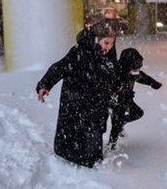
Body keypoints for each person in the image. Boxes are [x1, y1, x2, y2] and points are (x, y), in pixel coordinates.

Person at [36, 25, 119, 168]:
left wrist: (116, 88)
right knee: (73, 135)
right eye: (106, 42)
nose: (109, 47)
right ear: (96, 40)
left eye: (112, 43)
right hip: (75, 102)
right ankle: (70, 161)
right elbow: (59, 68)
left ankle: (90, 161)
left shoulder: (109, 56)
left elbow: (112, 76)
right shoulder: (79, 52)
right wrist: (45, 85)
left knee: (93, 141)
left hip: (97, 105)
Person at [108, 48, 162, 149]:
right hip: (116, 101)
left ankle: (121, 123)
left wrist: (153, 83)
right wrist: (115, 91)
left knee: (138, 113)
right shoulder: (117, 72)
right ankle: (112, 143)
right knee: (116, 122)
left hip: (127, 99)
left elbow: (143, 77)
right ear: (128, 64)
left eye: (138, 68)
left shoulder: (134, 73)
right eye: (135, 68)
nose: (136, 71)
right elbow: (109, 85)